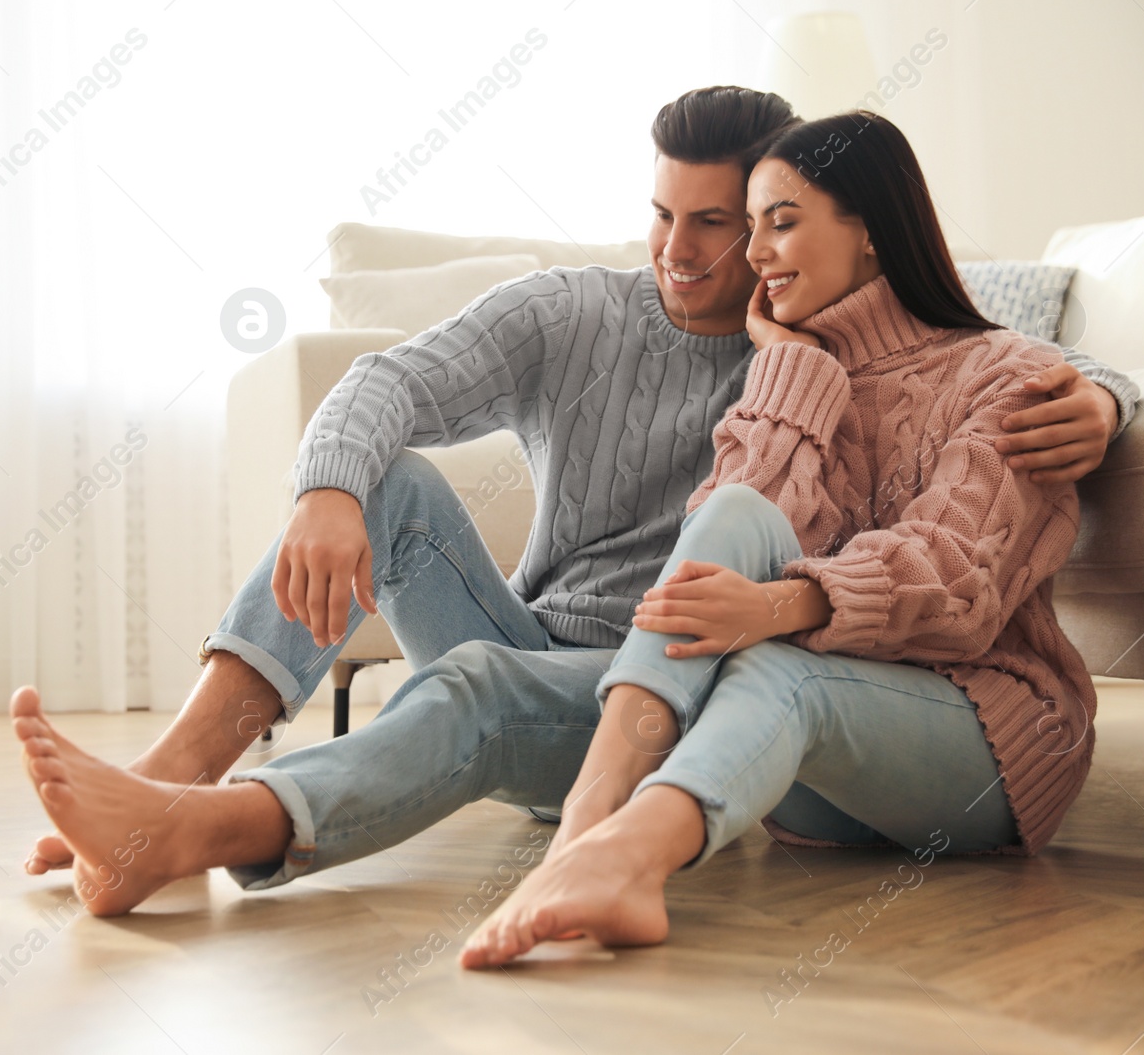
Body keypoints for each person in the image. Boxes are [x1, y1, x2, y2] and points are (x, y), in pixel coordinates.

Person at [11, 88, 1137, 919]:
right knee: (390, 487)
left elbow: (983, 375)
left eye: (734, 223)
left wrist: (1105, 398)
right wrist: (325, 487)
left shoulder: (808, 366)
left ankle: (207, 834)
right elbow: (386, 382)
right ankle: (168, 778)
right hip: (583, 641)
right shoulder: (580, 313)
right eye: (668, 215)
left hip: (704, 667)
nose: (688, 252)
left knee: (498, 679)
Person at [457, 110, 1103, 967]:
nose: (754, 254)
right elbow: (729, 527)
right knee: (733, 528)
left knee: (779, 666)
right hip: (820, 783)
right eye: (752, 226)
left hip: (990, 747)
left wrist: (780, 603)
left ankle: (616, 857)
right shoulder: (798, 380)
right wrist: (788, 368)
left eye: (783, 222)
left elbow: (956, 582)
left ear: (870, 230)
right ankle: (586, 825)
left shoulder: (1007, 375)